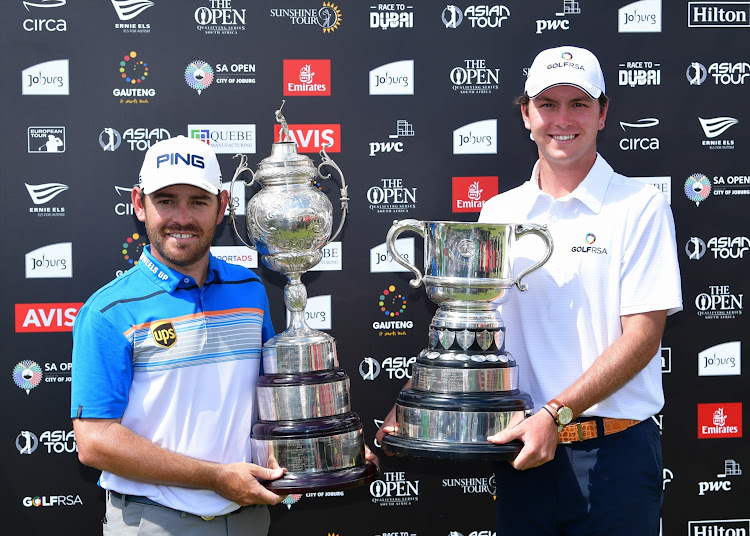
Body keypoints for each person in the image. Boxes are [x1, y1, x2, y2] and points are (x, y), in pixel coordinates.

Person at [377, 45, 682, 535]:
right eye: (547, 104)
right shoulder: (499, 212)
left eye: (579, 103)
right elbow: (475, 328)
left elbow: (643, 338)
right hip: (523, 453)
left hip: (614, 458)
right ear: (526, 114)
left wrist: (555, 414)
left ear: (603, 113)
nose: (563, 119)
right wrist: (418, 402)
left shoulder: (640, 206)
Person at [71, 135, 286, 535]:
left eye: (198, 201)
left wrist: (323, 445)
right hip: (154, 523)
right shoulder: (107, 311)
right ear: (139, 203)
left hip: (249, 520)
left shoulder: (251, 290)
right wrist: (216, 477)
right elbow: (95, 442)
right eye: (166, 200)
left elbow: (270, 393)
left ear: (222, 205)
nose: (182, 218)